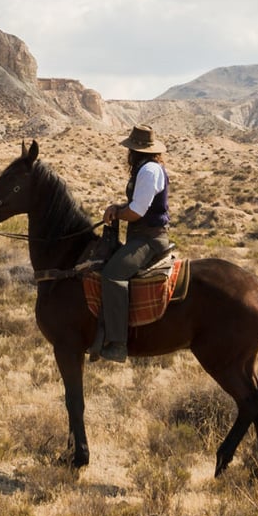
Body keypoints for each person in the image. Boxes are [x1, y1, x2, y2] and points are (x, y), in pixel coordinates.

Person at [91, 125, 170, 362]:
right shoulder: (146, 169)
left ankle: (118, 343)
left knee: (113, 274)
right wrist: (118, 210)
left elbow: (136, 211)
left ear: (135, 151)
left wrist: (116, 212)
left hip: (149, 239)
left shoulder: (148, 171)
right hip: (142, 236)